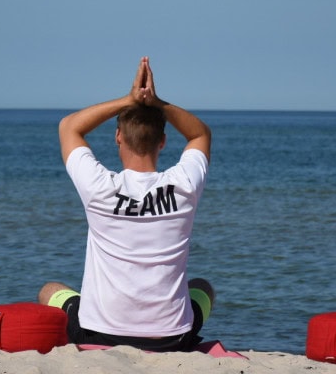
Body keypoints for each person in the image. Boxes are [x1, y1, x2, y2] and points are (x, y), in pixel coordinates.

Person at [38, 56, 213, 352]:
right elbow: (200, 133)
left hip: (100, 335)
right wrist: (157, 103)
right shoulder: (184, 185)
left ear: (119, 137)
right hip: (172, 338)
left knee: (49, 291)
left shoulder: (99, 187)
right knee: (203, 288)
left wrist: (127, 100)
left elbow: (69, 127)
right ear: (163, 141)